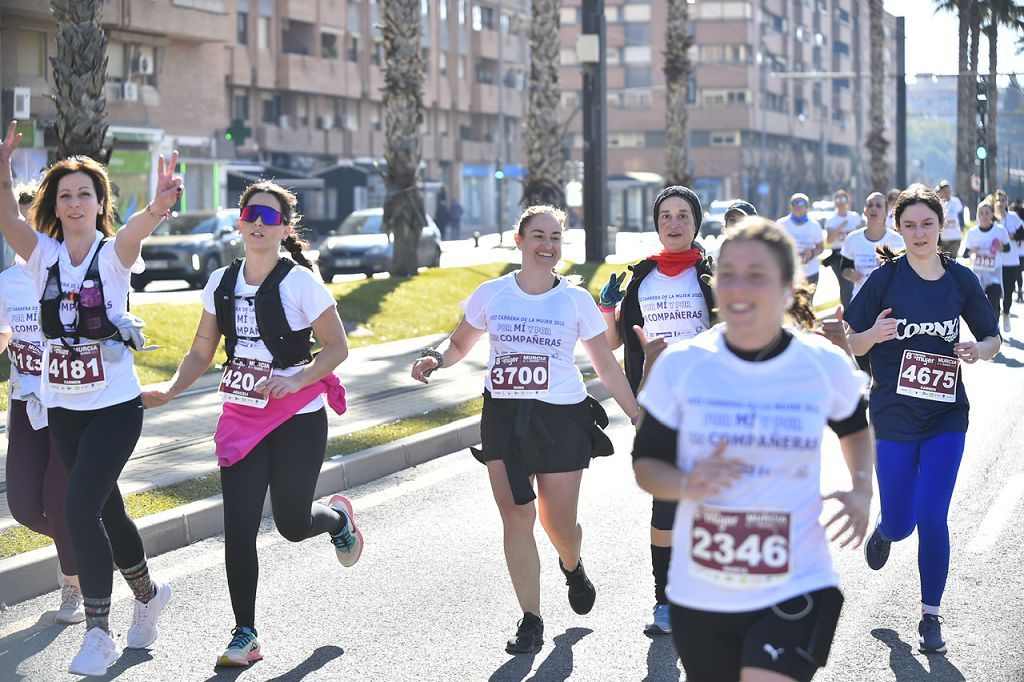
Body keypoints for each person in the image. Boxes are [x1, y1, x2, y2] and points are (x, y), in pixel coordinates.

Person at [633, 217, 874, 682]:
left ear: (788, 287)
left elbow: (854, 428)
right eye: (728, 274)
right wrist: (686, 483)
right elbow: (645, 466)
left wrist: (861, 489)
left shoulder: (821, 364)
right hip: (701, 591)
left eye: (757, 275)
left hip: (797, 582)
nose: (739, 287)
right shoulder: (683, 366)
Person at [142, 181, 359, 667]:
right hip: (241, 416)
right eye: (250, 214)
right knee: (237, 528)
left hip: (297, 417)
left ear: (284, 227)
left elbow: (337, 347)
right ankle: (245, 634)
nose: (258, 223)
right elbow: (202, 350)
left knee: (291, 524)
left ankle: (338, 519)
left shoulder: (300, 281)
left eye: (269, 216)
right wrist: (172, 390)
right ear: (240, 221)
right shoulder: (220, 281)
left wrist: (298, 378)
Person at [410, 205, 641, 655]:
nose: (547, 245)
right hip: (503, 414)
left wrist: (635, 413)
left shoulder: (574, 300)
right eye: (538, 235)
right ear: (519, 241)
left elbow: (606, 364)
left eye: (555, 237)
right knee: (517, 516)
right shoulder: (492, 294)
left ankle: (572, 566)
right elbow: (459, 342)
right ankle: (531, 619)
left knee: (559, 523)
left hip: (561, 417)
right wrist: (435, 357)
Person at [0, 121, 177, 677]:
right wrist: (4, 165)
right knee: (108, 509)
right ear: (54, 203)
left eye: (85, 193)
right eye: (65, 194)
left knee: (76, 508)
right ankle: (148, 594)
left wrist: (157, 206)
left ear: (100, 201)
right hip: (64, 410)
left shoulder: (111, 254)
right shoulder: (44, 256)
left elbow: (137, 231)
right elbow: (7, 219)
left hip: (116, 409)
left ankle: (98, 632)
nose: (74, 202)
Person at [845, 184, 1001, 655]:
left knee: (933, 513)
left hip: (945, 415)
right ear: (898, 227)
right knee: (903, 521)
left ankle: (930, 616)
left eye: (927, 224)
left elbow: (991, 337)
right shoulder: (885, 279)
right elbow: (853, 341)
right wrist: (872, 334)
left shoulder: (960, 279)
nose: (918, 233)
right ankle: (885, 530)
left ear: (942, 226)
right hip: (892, 414)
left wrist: (979, 351)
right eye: (909, 225)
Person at [596, 185, 716, 635]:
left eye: (683, 215)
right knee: (666, 505)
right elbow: (612, 343)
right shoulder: (641, 278)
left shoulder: (711, 275)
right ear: (656, 223)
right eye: (666, 215)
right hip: (658, 406)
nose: (674, 223)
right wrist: (607, 308)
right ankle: (664, 600)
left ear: (696, 223)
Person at [0, 182, 82, 625]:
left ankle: (73, 581)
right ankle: (89, 541)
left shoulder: (71, 272)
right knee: (26, 508)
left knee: (60, 496)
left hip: (71, 405)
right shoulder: (7, 283)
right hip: (25, 403)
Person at [840, 192, 905, 302]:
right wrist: (851, 274)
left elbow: (905, 272)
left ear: (885, 213)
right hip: (860, 300)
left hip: (889, 302)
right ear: (865, 211)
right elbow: (844, 268)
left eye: (878, 206)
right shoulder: (853, 238)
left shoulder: (897, 240)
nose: (873, 209)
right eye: (870, 205)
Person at [962, 199, 1010, 319]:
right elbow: (965, 254)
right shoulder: (972, 232)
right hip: (978, 274)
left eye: (987, 213)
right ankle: (986, 330)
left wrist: (1000, 247)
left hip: (994, 273)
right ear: (978, 215)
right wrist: (971, 251)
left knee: (994, 303)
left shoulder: (999, 230)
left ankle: (996, 331)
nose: (984, 216)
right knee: (980, 305)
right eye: (981, 213)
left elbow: (1008, 248)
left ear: (992, 214)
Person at [824, 189, 863, 307]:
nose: (841, 202)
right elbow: (829, 240)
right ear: (835, 202)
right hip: (838, 255)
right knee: (845, 283)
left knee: (858, 282)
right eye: (838, 199)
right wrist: (840, 227)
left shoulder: (854, 217)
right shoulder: (831, 220)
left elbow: (860, 234)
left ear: (848, 201)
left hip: (855, 254)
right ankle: (847, 309)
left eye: (843, 199)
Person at [778, 193, 824, 291]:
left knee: (807, 304)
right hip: (789, 271)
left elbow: (820, 248)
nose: (797, 208)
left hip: (810, 271)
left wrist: (811, 253)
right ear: (790, 207)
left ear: (807, 207)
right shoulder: (781, 224)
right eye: (794, 205)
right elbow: (774, 247)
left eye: (801, 205)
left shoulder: (814, 225)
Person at [993, 189, 1022, 332]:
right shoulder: (992, 219)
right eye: (999, 200)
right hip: (995, 262)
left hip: (1011, 261)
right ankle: (996, 319)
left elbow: (1022, 234)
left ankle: (1006, 314)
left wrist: (1012, 236)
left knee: (1008, 292)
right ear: (995, 202)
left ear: (1007, 202)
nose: (1001, 202)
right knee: (995, 292)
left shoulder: (1014, 217)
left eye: (1004, 200)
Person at [936, 181, 964, 259]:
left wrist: (962, 227)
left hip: (955, 237)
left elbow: (960, 216)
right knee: (943, 260)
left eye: (948, 190)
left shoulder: (956, 202)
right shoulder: (939, 203)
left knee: (952, 259)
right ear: (940, 192)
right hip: (943, 239)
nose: (947, 192)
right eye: (944, 191)